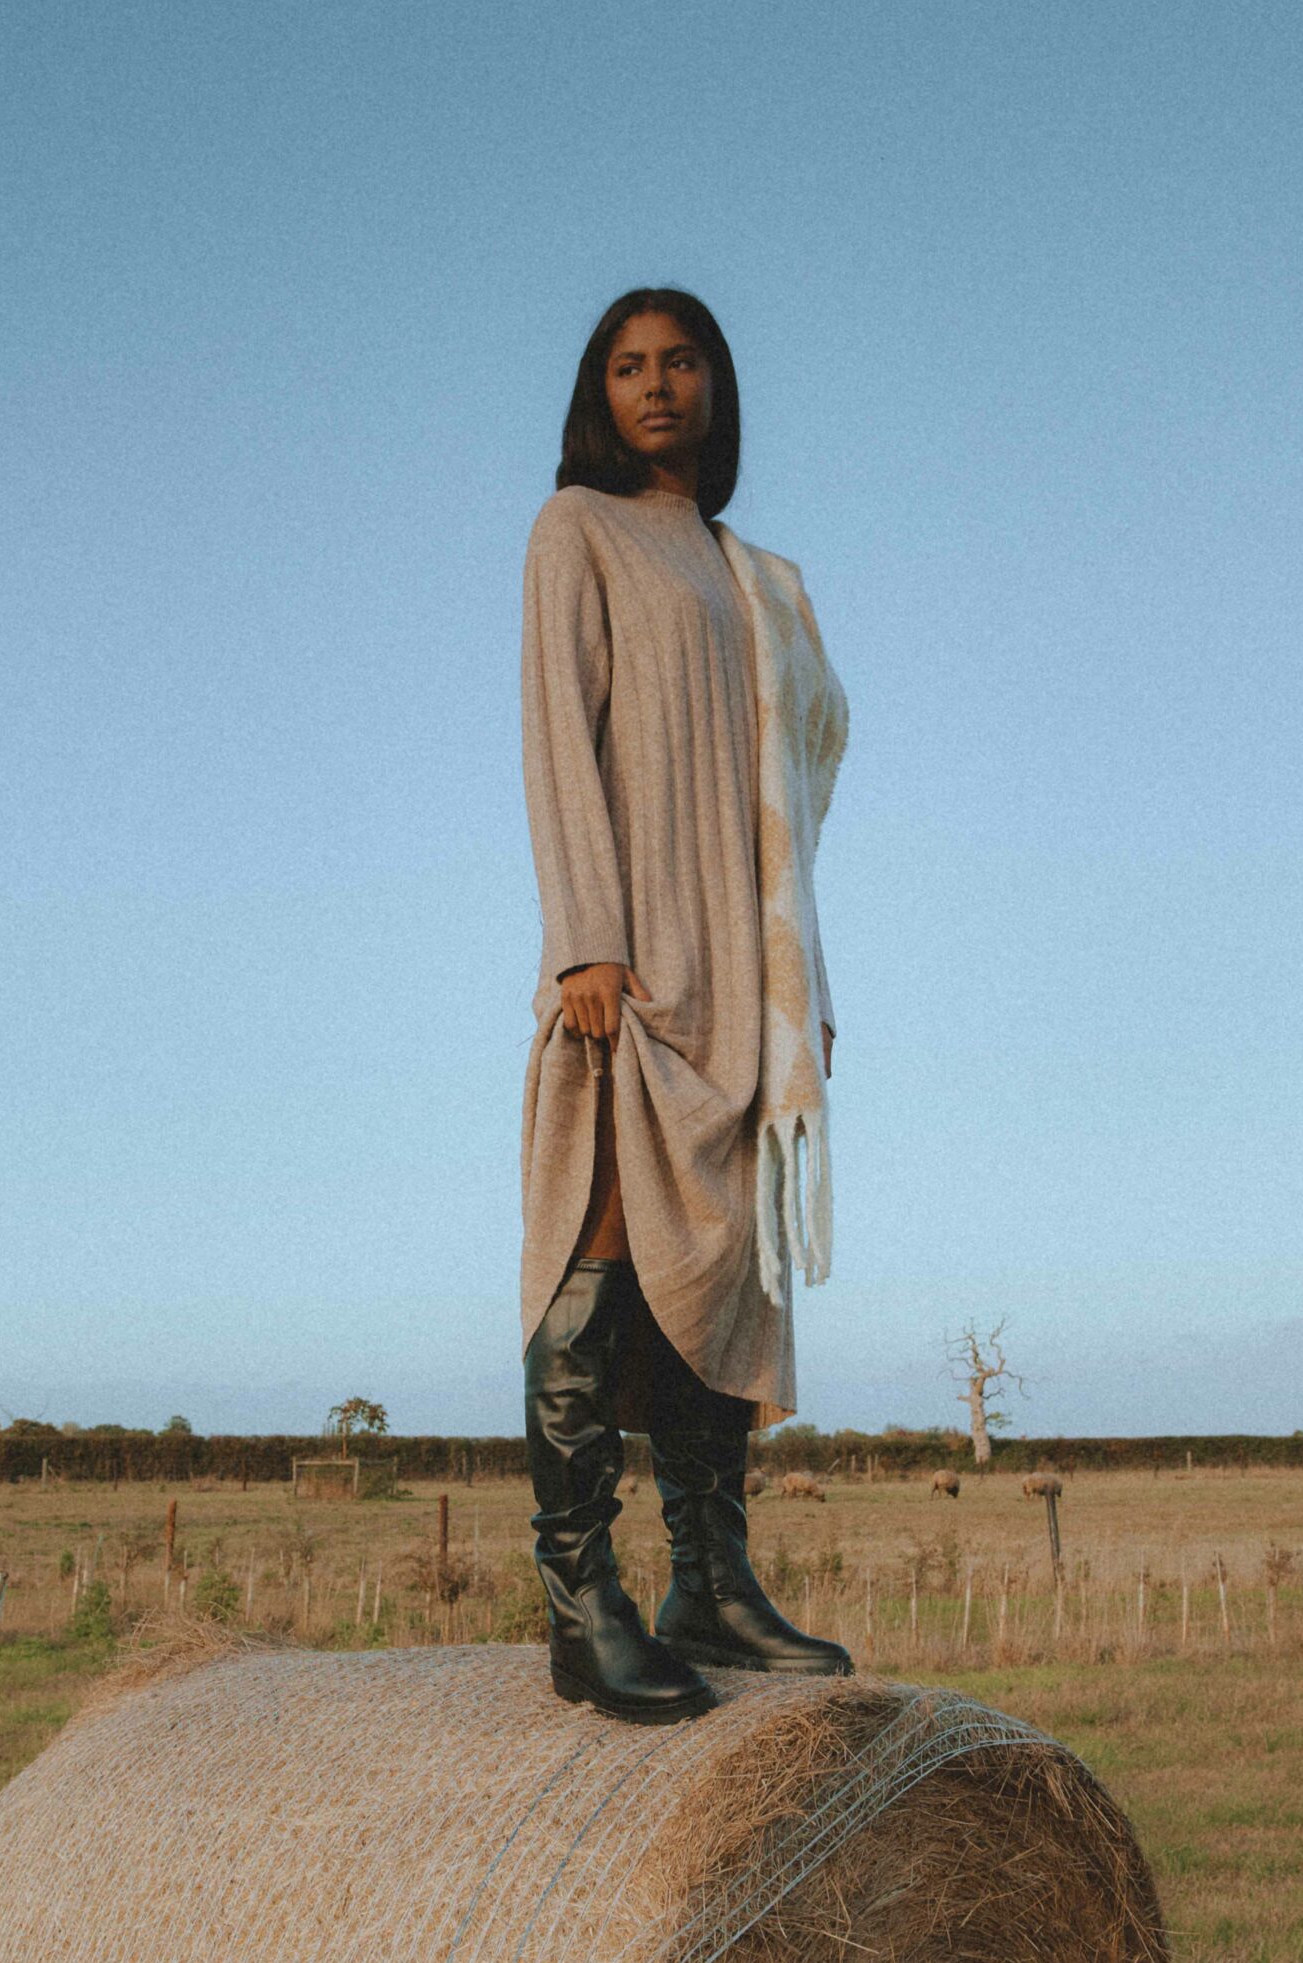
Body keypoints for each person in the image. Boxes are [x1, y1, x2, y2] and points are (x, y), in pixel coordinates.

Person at [520, 285, 854, 1724]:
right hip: (634, 964)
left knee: (728, 1275)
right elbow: (559, 734)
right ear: (599, 392)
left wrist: (802, 990)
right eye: (627, 366)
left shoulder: (751, 572)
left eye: (680, 362)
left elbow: (794, 805)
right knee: (598, 1249)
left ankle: (708, 1582)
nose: (655, 384)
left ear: (716, 385)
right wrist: (585, 942)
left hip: (744, 972)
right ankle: (577, 1600)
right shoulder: (577, 530)